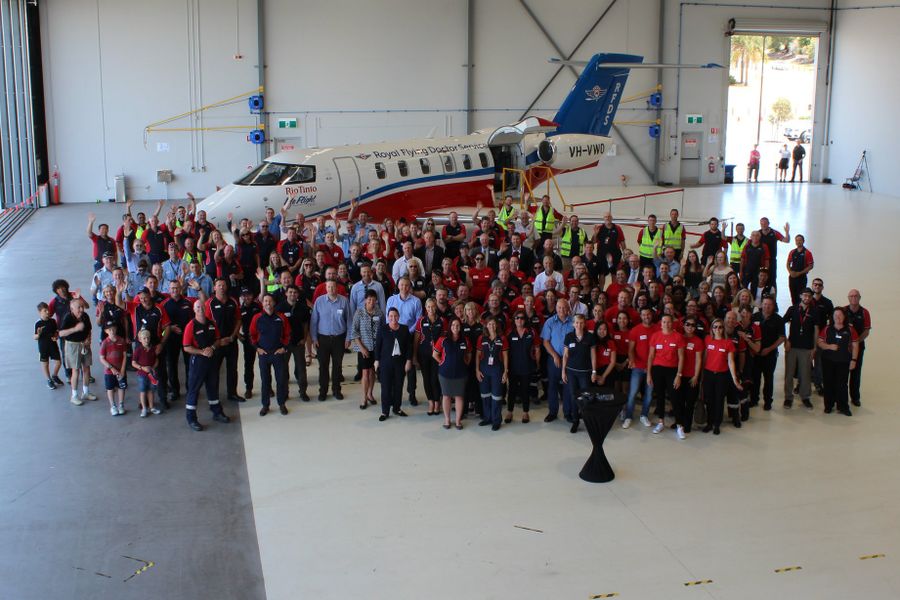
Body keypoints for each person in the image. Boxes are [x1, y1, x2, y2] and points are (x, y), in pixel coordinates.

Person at [182, 300, 231, 431]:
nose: (200, 309)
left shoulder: (212, 323)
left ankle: (217, 412)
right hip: (198, 361)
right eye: (198, 307)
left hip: (212, 360)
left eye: (202, 307)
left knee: (213, 387)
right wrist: (201, 352)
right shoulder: (190, 326)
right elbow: (186, 347)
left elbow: (218, 340)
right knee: (194, 389)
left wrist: (212, 348)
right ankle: (191, 418)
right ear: (194, 309)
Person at [249, 294, 291, 416]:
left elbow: (288, 334)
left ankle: (282, 403)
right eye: (265, 301)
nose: (267, 303)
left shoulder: (281, 317)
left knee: (281, 380)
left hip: (278, 353)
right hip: (264, 354)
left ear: (274, 303)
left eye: (270, 301)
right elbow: (252, 335)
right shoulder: (257, 318)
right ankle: (265, 405)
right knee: (265, 380)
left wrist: (284, 348)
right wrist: (257, 349)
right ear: (262, 304)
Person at [310, 280, 352, 401]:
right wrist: (314, 338)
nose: (331, 289)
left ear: (337, 288)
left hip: (339, 338)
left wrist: (348, 338)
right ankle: (323, 391)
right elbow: (314, 321)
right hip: (322, 339)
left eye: (333, 287)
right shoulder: (319, 301)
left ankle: (336, 390)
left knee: (337, 366)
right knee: (323, 366)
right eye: (329, 287)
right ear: (326, 288)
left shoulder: (344, 301)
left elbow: (349, 320)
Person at [647, 314, 686, 439]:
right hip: (657, 370)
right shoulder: (655, 336)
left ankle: (680, 425)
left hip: (672, 371)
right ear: (661, 323)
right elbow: (651, 356)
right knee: (660, 397)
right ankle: (660, 422)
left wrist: (679, 375)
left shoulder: (678, 337)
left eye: (669, 322)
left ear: (672, 323)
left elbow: (681, 357)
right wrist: (649, 374)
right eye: (664, 322)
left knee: (675, 398)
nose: (666, 324)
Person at [702, 318, 743, 434]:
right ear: (712, 329)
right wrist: (701, 375)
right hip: (709, 374)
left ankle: (716, 424)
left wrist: (735, 380)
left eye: (720, 327)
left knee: (719, 400)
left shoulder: (728, 343)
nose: (717, 329)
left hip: (722, 376)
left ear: (723, 329)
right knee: (709, 400)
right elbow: (705, 357)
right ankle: (709, 423)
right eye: (715, 327)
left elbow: (731, 362)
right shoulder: (708, 339)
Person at [817, 307, 859, 416]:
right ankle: (828, 406)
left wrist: (853, 360)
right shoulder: (827, 328)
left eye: (840, 315)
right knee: (828, 383)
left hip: (844, 362)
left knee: (842, 384)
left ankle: (843, 406)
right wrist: (829, 346)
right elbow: (820, 342)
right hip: (828, 361)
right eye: (835, 316)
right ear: (832, 317)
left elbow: (855, 345)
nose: (838, 318)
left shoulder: (850, 330)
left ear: (844, 317)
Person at [374, 307, 413, 421]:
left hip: (400, 363)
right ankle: (385, 411)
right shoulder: (383, 329)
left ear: (399, 317)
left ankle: (397, 408)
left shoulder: (404, 329)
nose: (393, 318)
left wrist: (409, 361)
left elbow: (409, 348)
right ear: (388, 317)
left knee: (398, 386)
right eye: (391, 316)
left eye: (395, 316)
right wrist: (376, 361)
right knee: (385, 387)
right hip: (386, 363)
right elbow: (378, 346)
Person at [782, 288, 818, 410]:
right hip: (792, 347)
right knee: (789, 373)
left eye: (809, 296)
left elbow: (816, 330)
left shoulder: (814, 311)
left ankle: (805, 397)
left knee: (805, 373)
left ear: (811, 297)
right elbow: (781, 323)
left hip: (807, 348)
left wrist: (814, 347)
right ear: (800, 296)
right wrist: (786, 341)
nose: (807, 298)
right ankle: (788, 397)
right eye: (805, 295)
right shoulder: (793, 309)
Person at [561, 314, 597, 433]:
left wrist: (594, 371)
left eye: (581, 322)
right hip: (571, 372)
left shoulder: (590, 337)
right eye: (577, 322)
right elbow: (565, 355)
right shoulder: (569, 336)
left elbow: (593, 355)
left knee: (586, 397)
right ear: (573, 324)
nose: (579, 325)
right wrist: (563, 371)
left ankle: (587, 420)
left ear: (584, 323)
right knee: (573, 397)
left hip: (585, 373)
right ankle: (575, 421)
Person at [622, 307, 656, 429]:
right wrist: (632, 361)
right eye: (644, 315)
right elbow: (631, 350)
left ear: (651, 315)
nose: (646, 316)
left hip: (652, 368)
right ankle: (628, 417)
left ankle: (644, 415)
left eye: (648, 314)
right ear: (640, 316)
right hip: (638, 367)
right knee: (632, 393)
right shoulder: (635, 330)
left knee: (649, 394)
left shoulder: (657, 329)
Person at [433, 317, 470, 430]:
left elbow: (469, 355)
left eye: (458, 325)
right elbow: (435, 354)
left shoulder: (465, 340)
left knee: (459, 397)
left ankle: (458, 421)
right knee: (447, 396)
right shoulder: (443, 339)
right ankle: (447, 420)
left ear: (460, 327)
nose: (455, 327)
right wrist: (442, 363)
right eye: (453, 325)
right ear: (450, 327)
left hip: (461, 373)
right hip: (445, 374)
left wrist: (464, 363)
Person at [541, 299, 573, 423]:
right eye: (559, 308)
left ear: (568, 309)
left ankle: (567, 412)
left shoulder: (573, 322)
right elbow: (545, 341)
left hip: (569, 360)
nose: (561, 310)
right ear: (556, 308)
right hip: (554, 359)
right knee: (552, 385)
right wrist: (555, 355)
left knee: (567, 385)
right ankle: (552, 412)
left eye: (564, 308)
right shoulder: (549, 322)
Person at [59, 298, 97, 405]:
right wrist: (75, 329)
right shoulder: (68, 318)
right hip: (72, 346)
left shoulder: (85, 316)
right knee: (75, 370)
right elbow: (61, 334)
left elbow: (89, 329)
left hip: (84, 344)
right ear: (72, 309)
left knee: (86, 368)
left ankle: (86, 392)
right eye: (78, 307)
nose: (81, 309)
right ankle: (74, 395)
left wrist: (88, 339)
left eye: (82, 307)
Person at [506, 310, 540, 425]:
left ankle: (526, 412)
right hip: (513, 367)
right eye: (517, 318)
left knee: (526, 390)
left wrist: (537, 363)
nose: (519, 320)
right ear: (514, 320)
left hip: (527, 366)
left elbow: (537, 348)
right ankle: (509, 412)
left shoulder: (531, 332)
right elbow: (505, 351)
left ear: (525, 320)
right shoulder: (510, 332)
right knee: (512, 390)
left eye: (521, 318)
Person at [751, 296, 785, 411]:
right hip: (756, 354)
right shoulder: (755, 317)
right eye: (765, 304)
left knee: (768, 379)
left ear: (773, 306)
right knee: (755, 378)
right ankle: (754, 399)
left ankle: (767, 401)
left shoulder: (779, 320)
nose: (766, 306)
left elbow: (781, 338)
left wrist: (769, 349)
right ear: (762, 305)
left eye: (769, 305)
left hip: (770, 355)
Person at [351, 289, 383, 409]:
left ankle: (370, 393)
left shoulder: (379, 313)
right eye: (369, 299)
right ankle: (364, 397)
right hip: (363, 348)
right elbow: (354, 332)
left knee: (372, 372)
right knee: (365, 372)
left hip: (376, 349)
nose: (371, 302)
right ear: (365, 300)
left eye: (373, 300)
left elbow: (382, 331)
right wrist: (362, 348)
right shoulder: (359, 313)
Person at [414, 299, 445, 417]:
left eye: (433, 307)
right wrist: (414, 356)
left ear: (436, 307)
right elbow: (416, 339)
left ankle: (437, 402)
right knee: (426, 379)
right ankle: (431, 402)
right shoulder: (421, 321)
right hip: (424, 354)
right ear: (425, 308)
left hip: (437, 355)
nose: (431, 309)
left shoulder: (441, 321)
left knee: (434, 379)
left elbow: (445, 338)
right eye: (428, 307)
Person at [476, 317, 508, 431]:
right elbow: (478, 355)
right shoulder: (482, 338)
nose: (491, 326)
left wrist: (505, 371)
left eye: (494, 324)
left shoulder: (502, 338)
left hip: (497, 370)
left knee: (496, 396)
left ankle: (496, 420)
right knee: (485, 395)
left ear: (497, 326)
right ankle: (487, 418)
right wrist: (477, 370)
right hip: (484, 369)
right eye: (489, 324)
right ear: (486, 326)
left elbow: (505, 356)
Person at [845, 289, 871, 407]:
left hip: (859, 348)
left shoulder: (865, 312)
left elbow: (866, 331)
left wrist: (856, 342)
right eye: (851, 296)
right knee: (843, 373)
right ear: (848, 298)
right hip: (844, 349)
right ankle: (842, 398)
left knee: (856, 373)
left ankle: (855, 397)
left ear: (860, 298)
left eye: (856, 296)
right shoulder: (843, 311)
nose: (854, 298)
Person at [98, 321, 127, 416]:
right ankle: (113, 406)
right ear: (106, 331)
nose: (112, 331)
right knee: (110, 388)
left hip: (121, 370)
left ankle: (121, 405)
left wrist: (122, 369)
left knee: (121, 387)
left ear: (116, 329)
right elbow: (102, 358)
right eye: (109, 329)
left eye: (113, 328)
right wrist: (111, 368)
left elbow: (125, 355)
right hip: (109, 372)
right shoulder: (105, 343)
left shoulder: (121, 340)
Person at [680, 318, 703, 433]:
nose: (690, 327)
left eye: (692, 325)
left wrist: (696, 376)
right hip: (679, 376)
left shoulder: (698, 341)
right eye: (687, 324)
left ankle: (687, 425)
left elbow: (699, 360)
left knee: (689, 402)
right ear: (683, 326)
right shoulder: (679, 338)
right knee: (679, 402)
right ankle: (679, 423)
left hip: (691, 377)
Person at [132, 329, 161, 417]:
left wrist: (153, 367)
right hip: (142, 375)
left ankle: (152, 407)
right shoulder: (138, 350)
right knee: (143, 391)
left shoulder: (152, 349)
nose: (146, 340)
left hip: (151, 374)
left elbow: (156, 359)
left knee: (151, 391)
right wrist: (142, 368)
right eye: (144, 338)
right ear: (140, 339)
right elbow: (133, 363)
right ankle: (144, 408)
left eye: (148, 338)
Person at [35, 302, 63, 390]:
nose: (47, 312)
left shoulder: (52, 321)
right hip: (43, 347)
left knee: (58, 363)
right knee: (45, 364)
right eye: (45, 311)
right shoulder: (38, 323)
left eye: (48, 310)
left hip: (53, 345)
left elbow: (56, 332)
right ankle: (49, 379)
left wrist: (56, 337)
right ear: (40, 312)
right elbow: (35, 337)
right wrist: (38, 334)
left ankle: (54, 375)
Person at [786, 234, 814, 306]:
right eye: (797, 240)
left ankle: (801, 311)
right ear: (795, 242)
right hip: (792, 278)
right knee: (793, 296)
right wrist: (790, 272)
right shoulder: (792, 252)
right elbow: (788, 263)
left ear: (803, 241)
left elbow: (811, 266)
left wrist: (800, 273)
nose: (798, 242)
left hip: (801, 278)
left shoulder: (807, 253)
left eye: (800, 240)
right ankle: (795, 311)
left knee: (801, 296)